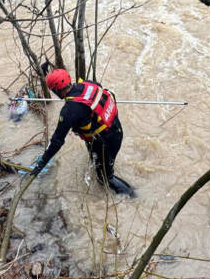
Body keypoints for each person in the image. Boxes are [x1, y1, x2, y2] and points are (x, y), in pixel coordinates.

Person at [29, 69, 135, 197]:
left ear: (56, 91)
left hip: (106, 142)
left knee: (104, 178)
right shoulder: (88, 84)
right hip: (115, 129)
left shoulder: (69, 111)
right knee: (96, 160)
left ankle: (133, 195)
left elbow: (57, 140)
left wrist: (41, 164)